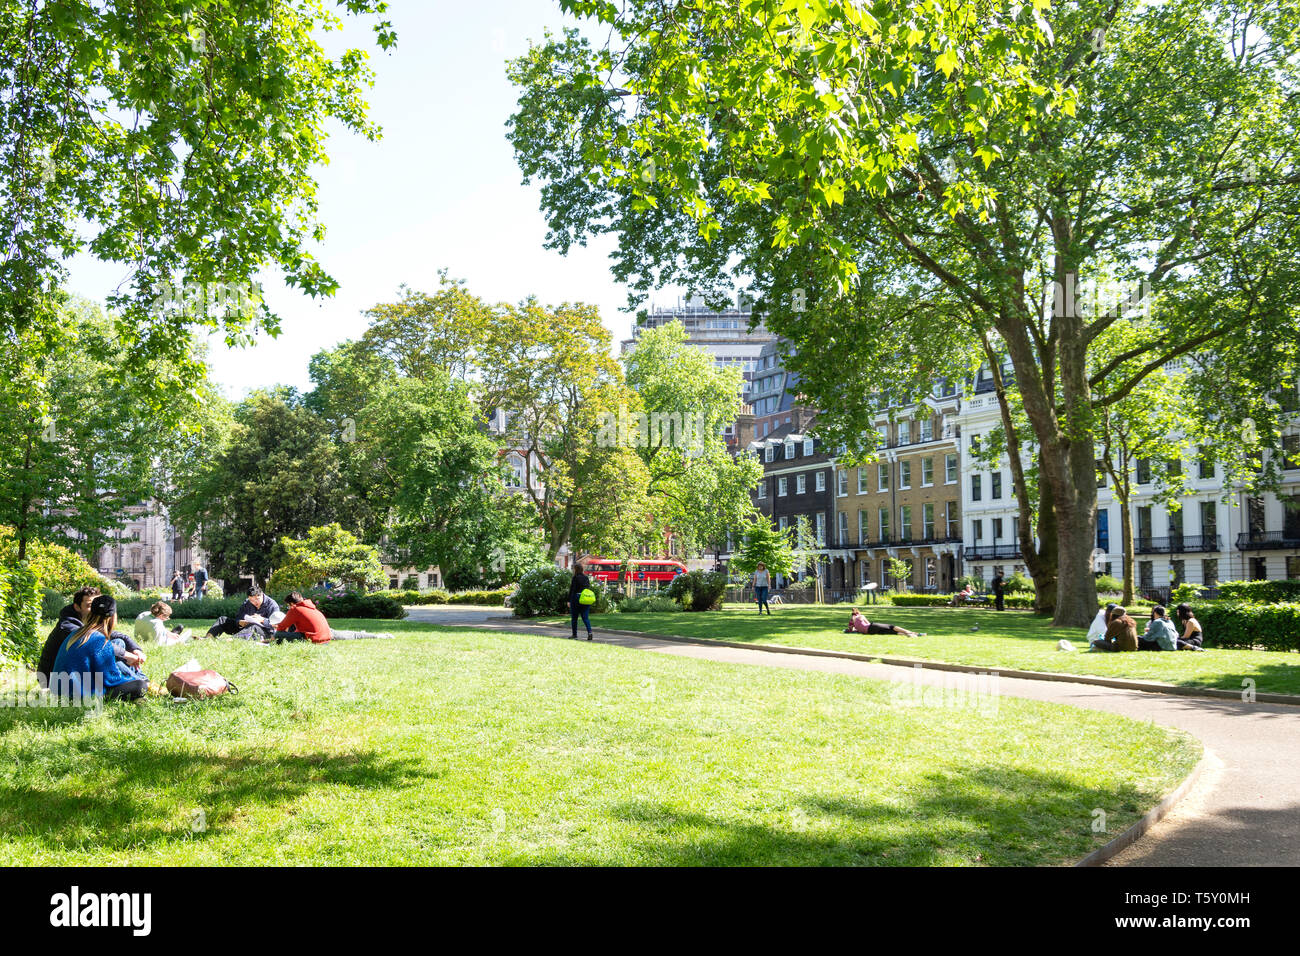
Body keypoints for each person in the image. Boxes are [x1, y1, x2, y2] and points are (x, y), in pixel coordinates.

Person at [36, 586, 147, 690]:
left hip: (78, 675)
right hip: (54, 680)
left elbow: (117, 635)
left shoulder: (89, 623)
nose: (96, 609)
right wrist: (125, 655)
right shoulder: (67, 626)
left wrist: (136, 650)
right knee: (135, 683)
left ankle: (141, 679)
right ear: (77, 607)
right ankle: (140, 682)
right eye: (90, 605)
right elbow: (95, 643)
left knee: (119, 642)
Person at [205, 585, 280, 641]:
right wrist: (240, 622)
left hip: (264, 632)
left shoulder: (272, 605)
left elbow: (277, 625)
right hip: (245, 628)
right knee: (222, 619)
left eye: (257, 599)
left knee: (253, 626)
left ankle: (232, 640)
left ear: (262, 595)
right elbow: (238, 617)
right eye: (252, 600)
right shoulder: (247, 603)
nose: (254, 603)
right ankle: (208, 637)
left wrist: (262, 620)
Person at [843, 607, 926, 637]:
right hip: (872, 626)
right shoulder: (860, 616)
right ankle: (913, 633)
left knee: (891, 633)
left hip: (870, 632)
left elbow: (851, 630)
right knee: (891, 627)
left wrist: (849, 630)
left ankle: (911, 634)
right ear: (857, 612)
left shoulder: (851, 622)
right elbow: (868, 623)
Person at [568, 564, 594, 641]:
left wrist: (569, 600)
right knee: (585, 618)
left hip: (576, 598)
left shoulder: (575, 578)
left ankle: (574, 635)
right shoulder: (586, 578)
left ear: (576, 569)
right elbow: (588, 588)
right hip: (585, 598)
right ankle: (589, 632)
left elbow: (572, 589)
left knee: (574, 618)